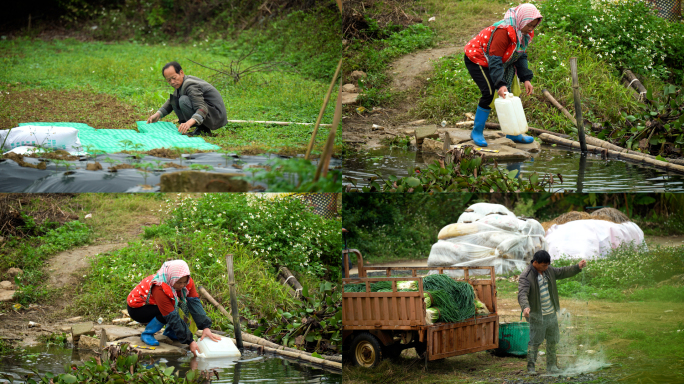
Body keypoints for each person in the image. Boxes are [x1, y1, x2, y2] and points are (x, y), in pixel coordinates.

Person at [464, 3, 542, 147]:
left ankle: (513, 134)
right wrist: (500, 84)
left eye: (534, 26)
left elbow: (521, 56)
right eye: (529, 25)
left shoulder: (523, 33)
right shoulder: (503, 31)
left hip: (500, 61)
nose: (531, 29)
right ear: (522, 20)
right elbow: (494, 60)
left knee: (510, 94)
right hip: (478, 58)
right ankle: (476, 132)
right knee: (489, 92)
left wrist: (526, 78)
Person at [127, 260, 221, 356]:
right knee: (168, 312)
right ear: (171, 278)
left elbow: (194, 303)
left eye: (184, 282)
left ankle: (170, 333)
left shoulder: (187, 282)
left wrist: (205, 327)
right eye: (179, 282)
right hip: (138, 309)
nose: (182, 285)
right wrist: (190, 341)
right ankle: (147, 334)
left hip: (156, 304)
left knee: (184, 305)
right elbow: (171, 315)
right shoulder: (159, 286)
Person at [518, 250, 587, 375]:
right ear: (535, 262)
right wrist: (525, 306)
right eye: (544, 265)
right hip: (537, 315)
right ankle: (531, 368)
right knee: (535, 341)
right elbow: (522, 293)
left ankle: (552, 366)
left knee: (552, 340)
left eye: (548, 265)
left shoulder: (548, 270)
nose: (546, 267)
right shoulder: (526, 275)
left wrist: (577, 267)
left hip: (551, 313)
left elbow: (562, 271)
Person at [146, 61, 228, 137]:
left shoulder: (190, 85)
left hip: (215, 115)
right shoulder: (181, 83)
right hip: (209, 113)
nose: (172, 82)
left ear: (181, 73)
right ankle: (199, 127)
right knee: (175, 100)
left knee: (183, 100)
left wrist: (189, 123)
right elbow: (171, 101)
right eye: (168, 80)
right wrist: (158, 115)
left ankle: (203, 129)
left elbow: (202, 108)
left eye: (174, 78)